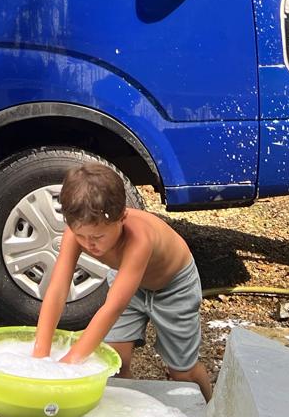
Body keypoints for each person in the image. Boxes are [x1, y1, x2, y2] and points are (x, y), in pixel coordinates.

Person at [31, 161, 212, 399]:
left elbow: (112, 308)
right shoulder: (77, 234)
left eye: (97, 236)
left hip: (173, 287)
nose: (89, 244)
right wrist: (40, 354)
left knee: (182, 371)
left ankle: (211, 411)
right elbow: (57, 289)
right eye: (81, 236)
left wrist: (69, 364)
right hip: (127, 282)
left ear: (122, 217)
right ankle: (126, 415)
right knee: (116, 363)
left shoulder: (139, 239)